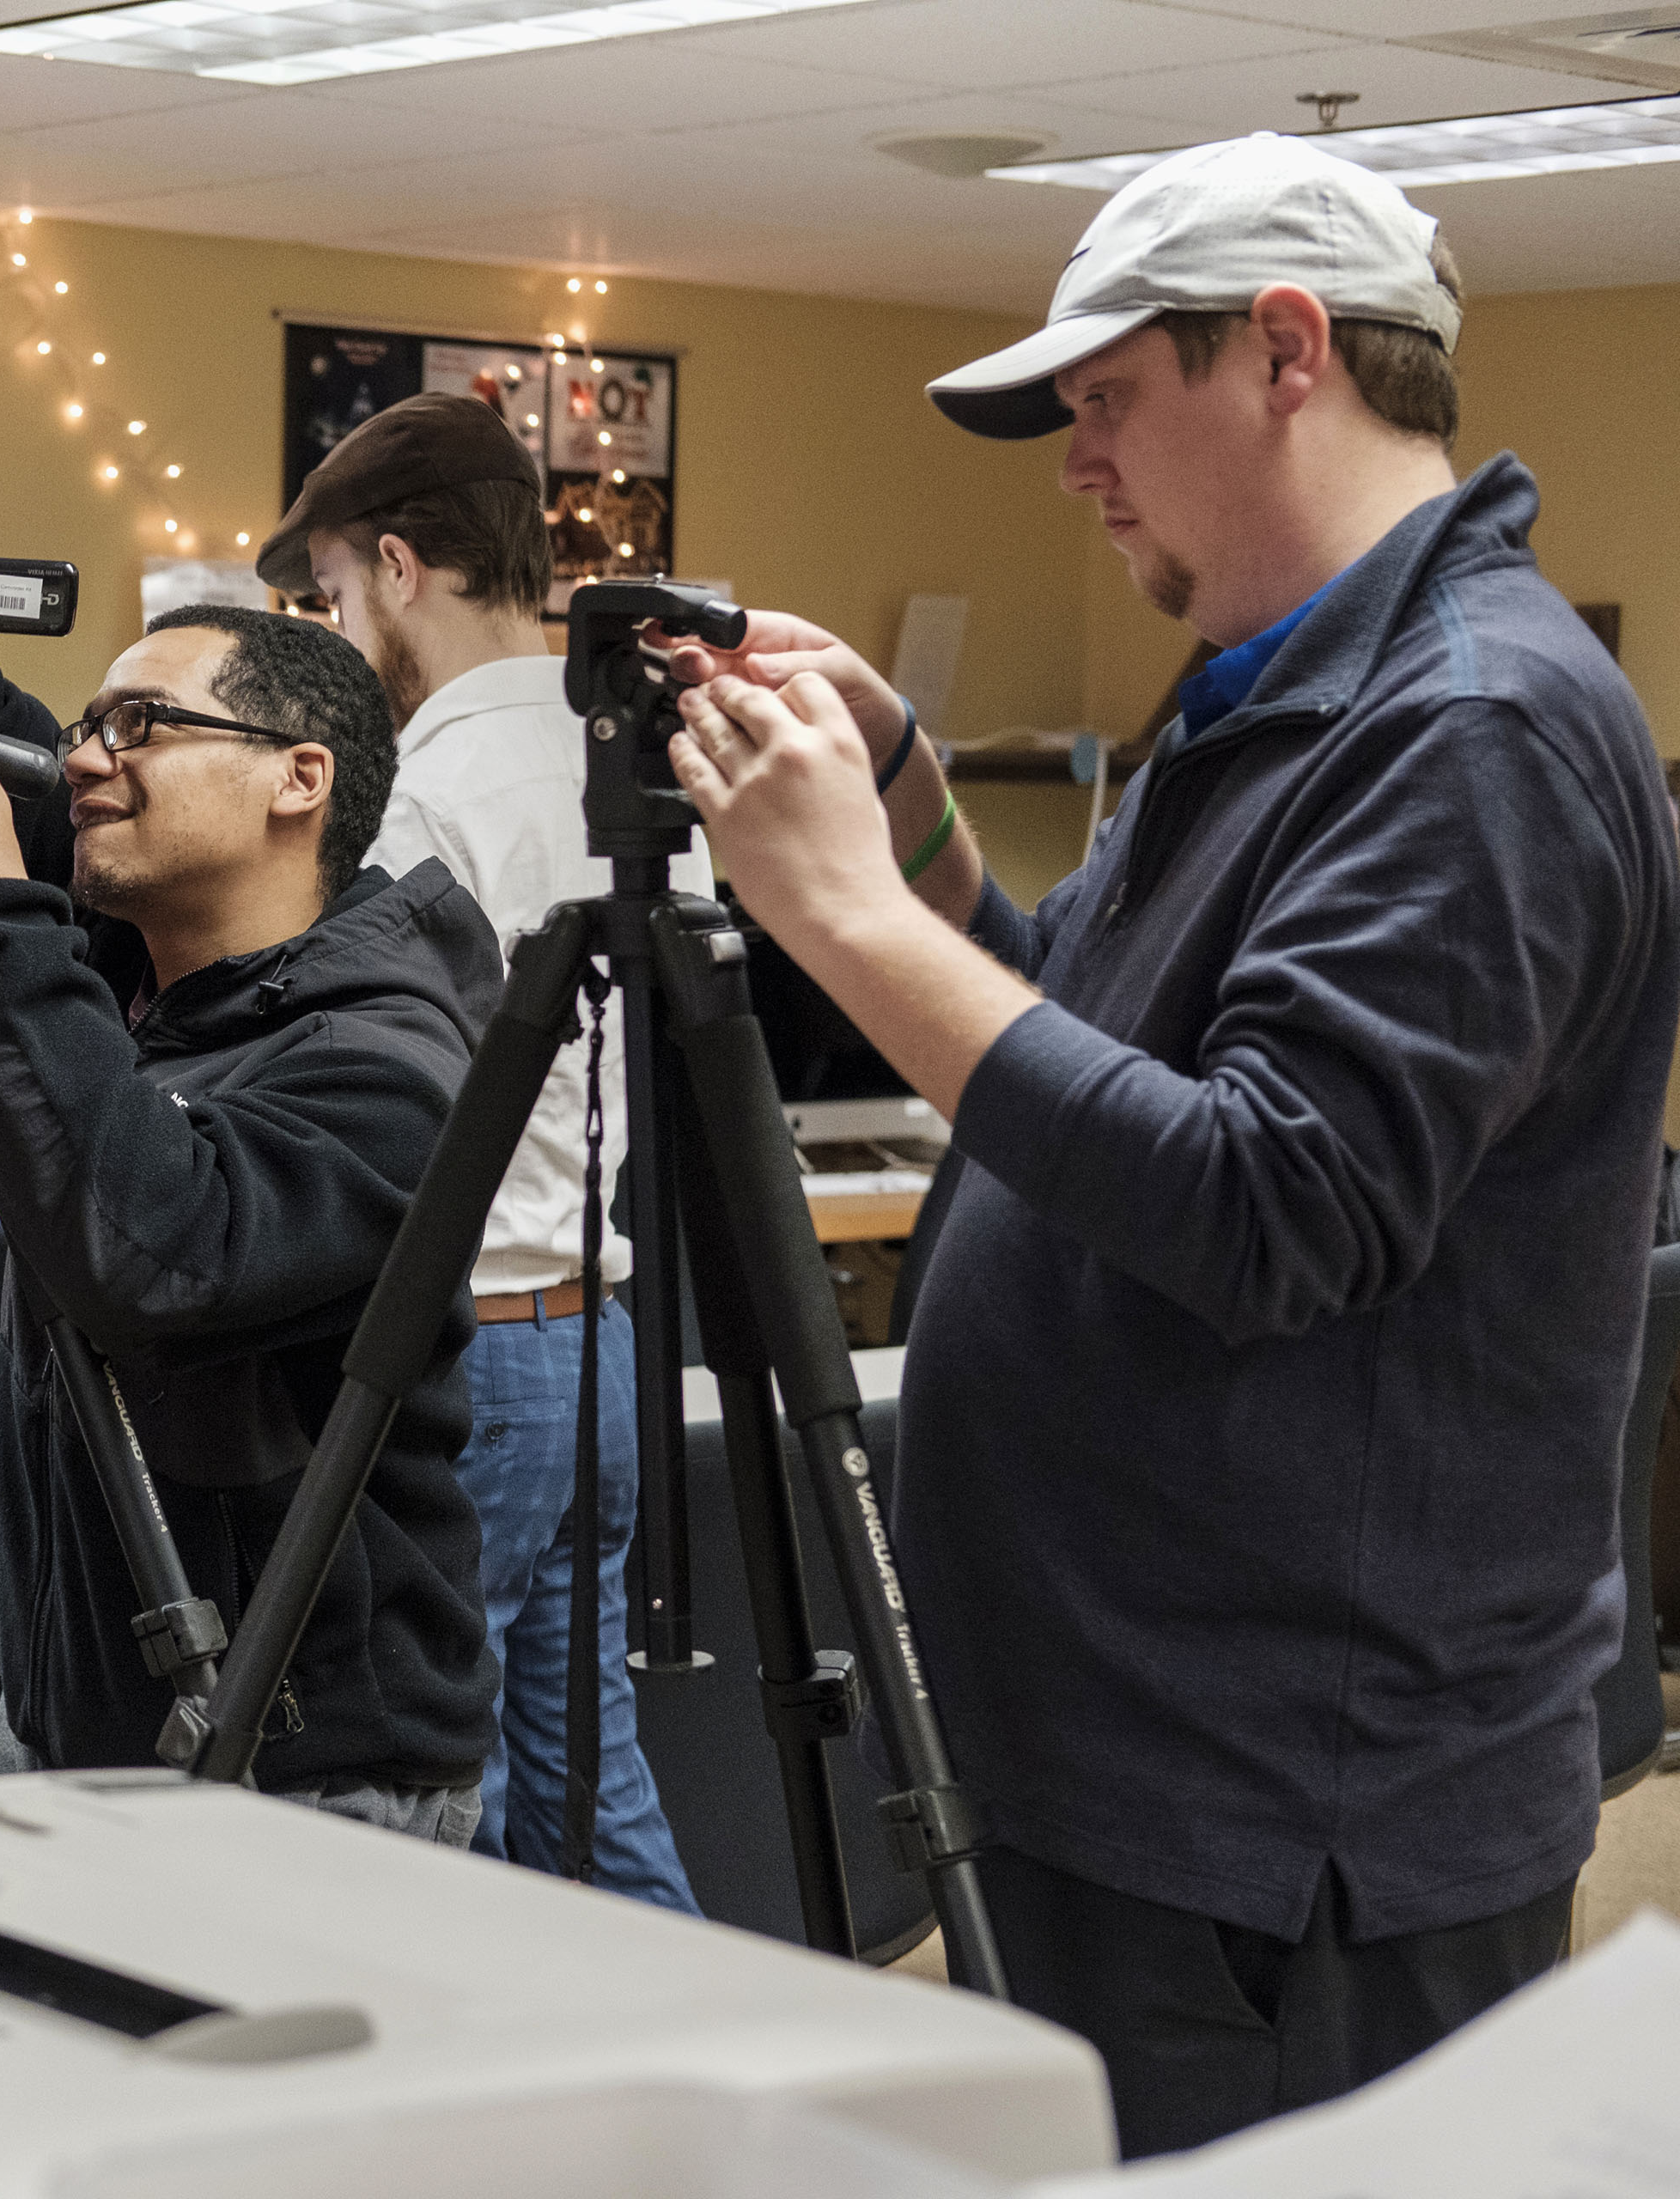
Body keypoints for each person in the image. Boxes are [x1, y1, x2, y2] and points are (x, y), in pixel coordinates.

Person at [659, 134, 1678, 2154]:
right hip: (1148, 1755)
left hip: (1289, 1807)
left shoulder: (1464, 724)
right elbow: (1099, 1069)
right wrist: (910, 816)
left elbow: (1261, 1203)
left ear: (1284, 349)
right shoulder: (1277, 692)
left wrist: (842, 923)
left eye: (1108, 394)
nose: (1070, 456)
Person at [0, 603, 502, 1840]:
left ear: (301, 777)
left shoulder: (388, 1069)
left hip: (300, 1776)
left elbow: (154, 1249)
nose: (87, 758)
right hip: (68, 1726)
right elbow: (44, 833)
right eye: (87, 727)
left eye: (140, 726)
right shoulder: (165, 1002)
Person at [259, 391, 701, 1908]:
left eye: (327, 595)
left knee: (456, 1827)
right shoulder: (631, 764)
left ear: (397, 567)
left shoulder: (425, 798)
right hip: (595, 1348)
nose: (330, 629)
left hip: (479, 1358)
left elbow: (384, 1102)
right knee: (598, 1793)